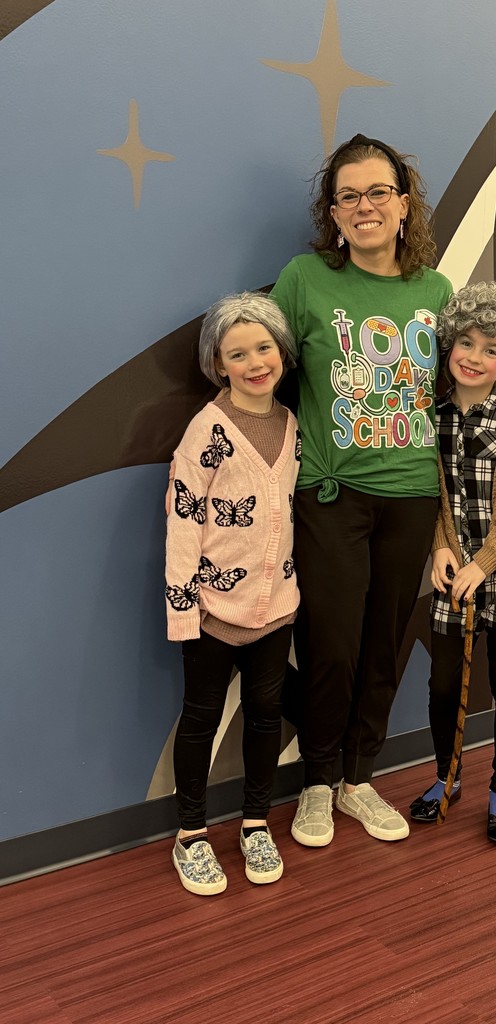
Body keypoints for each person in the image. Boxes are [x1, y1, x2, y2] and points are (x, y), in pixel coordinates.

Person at [270, 133, 454, 846]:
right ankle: (317, 783)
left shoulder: (436, 291)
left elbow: (454, 398)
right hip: (332, 493)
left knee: (383, 645)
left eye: (378, 192)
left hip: (411, 495)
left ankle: (358, 780)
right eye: (348, 196)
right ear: (333, 212)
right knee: (331, 646)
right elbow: (262, 372)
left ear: (404, 205)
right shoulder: (304, 278)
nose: (364, 206)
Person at [164, 291, 300, 894]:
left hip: (277, 609)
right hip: (213, 612)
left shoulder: (292, 425)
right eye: (237, 353)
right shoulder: (206, 431)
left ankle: (255, 822)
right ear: (218, 364)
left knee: (266, 714)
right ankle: (191, 833)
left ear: (282, 352)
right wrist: (183, 610)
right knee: (201, 717)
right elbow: (183, 523)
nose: (254, 363)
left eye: (263, 348)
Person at [408, 281, 496, 844]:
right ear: (449, 345)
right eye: (465, 343)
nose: (474, 357)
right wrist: (440, 546)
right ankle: (447, 776)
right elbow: (427, 494)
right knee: (444, 685)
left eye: (491, 349)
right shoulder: (429, 418)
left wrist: (485, 562)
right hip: (452, 578)